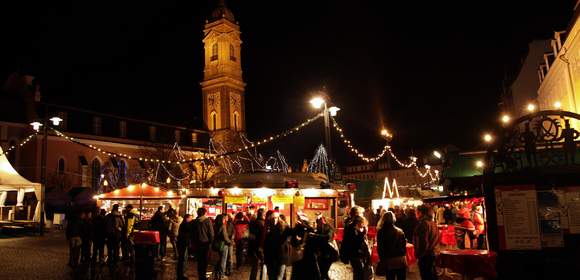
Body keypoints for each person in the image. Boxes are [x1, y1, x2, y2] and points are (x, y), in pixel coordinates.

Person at [377, 211, 407, 280]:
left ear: (383, 219)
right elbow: (404, 246)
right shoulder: (400, 231)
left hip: (389, 260)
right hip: (401, 259)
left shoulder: (381, 232)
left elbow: (380, 248)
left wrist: (382, 260)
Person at [413, 205, 440, 280]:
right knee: (432, 275)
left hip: (425, 256)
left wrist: (419, 255)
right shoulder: (432, 223)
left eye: (416, 211)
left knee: (426, 276)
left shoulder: (423, 224)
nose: (415, 213)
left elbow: (423, 243)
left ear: (420, 213)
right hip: (432, 253)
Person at [264, 211, 291, 280]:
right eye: (272, 218)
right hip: (271, 258)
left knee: (278, 277)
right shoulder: (267, 229)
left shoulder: (284, 228)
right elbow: (265, 244)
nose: (274, 220)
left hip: (280, 258)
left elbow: (292, 233)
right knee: (272, 277)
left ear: (279, 218)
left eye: (275, 218)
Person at [192, 207, 214, 280]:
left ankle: (200, 276)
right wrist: (211, 241)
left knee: (199, 260)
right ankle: (203, 276)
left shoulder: (195, 221)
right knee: (204, 260)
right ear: (204, 213)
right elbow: (211, 233)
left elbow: (193, 234)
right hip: (205, 243)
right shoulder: (207, 220)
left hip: (197, 243)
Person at [350, 216, 373, 280]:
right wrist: (363, 233)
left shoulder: (361, 231)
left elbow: (365, 244)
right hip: (357, 255)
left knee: (360, 273)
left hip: (362, 256)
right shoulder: (354, 231)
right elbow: (357, 243)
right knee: (359, 273)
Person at [315, 213, 336, 280]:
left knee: (323, 271)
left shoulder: (328, 228)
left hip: (329, 253)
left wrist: (316, 236)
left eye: (319, 221)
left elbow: (327, 237)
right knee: (323, 272)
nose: (318, 223)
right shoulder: (320, 228)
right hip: (322, 253)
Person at [212, 214, 232, 280]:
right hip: (222, 244)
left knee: (218, 260)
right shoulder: (223, 226)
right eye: (224, 219)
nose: (224, 220)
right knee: (223, 260)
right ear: (221, 220)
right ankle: (222, 275)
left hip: (216, 244)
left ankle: (216, 274)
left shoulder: (214, 226)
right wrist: (230, 242)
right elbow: (225, 237)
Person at [248, 208, 266, 280]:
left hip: (254, 246)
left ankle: (252, 278)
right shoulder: (263, 223)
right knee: (263, 265)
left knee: (254, 265)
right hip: (261, 246)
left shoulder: (252, 223)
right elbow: (263, 236)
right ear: (263, 214)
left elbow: (251, 236)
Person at [176, 214, 193, 280]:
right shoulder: (185, 224)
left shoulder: (184, 224)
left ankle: (181, 273)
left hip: (182, 243)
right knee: (183, 259)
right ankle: (182, 274)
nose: (191, 220)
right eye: (191, 218)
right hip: (183, 244)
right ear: (187, 218)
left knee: (183, 259)